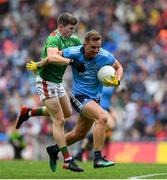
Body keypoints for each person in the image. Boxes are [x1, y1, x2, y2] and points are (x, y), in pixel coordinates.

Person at [26, 30, 123, 169]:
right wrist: (38, 65)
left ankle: (54, 149)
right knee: (102, 117)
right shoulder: (73, 52)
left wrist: (117, 81)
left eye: (98, 47)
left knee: (79, 134)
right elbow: (52, 57)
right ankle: (97, 158)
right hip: (79, 96)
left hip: (95, 99)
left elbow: (119, 67)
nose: (96, 51)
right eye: (93, 47)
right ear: (85, 45)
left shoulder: (105, 56)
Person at [16, 12, 85, 172]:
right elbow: (52, 57)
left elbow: (81, 50)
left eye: (73, 29)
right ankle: (68, 159)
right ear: (60, 27)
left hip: (57, 83)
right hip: (46, 82)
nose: (72, 32)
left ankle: (29, 112)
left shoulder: (73, 39)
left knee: (67, 113)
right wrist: (71, 62)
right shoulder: (53, 38)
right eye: (69, 29)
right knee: (59, 120)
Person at [74, 86, 116, 161]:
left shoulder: (111, 85)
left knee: (105, 128)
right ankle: (87, 151)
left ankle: (81, 153)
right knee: (110, 125)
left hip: (105, 108)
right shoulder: (97, 82)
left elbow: (114, 96)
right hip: (98, 108)